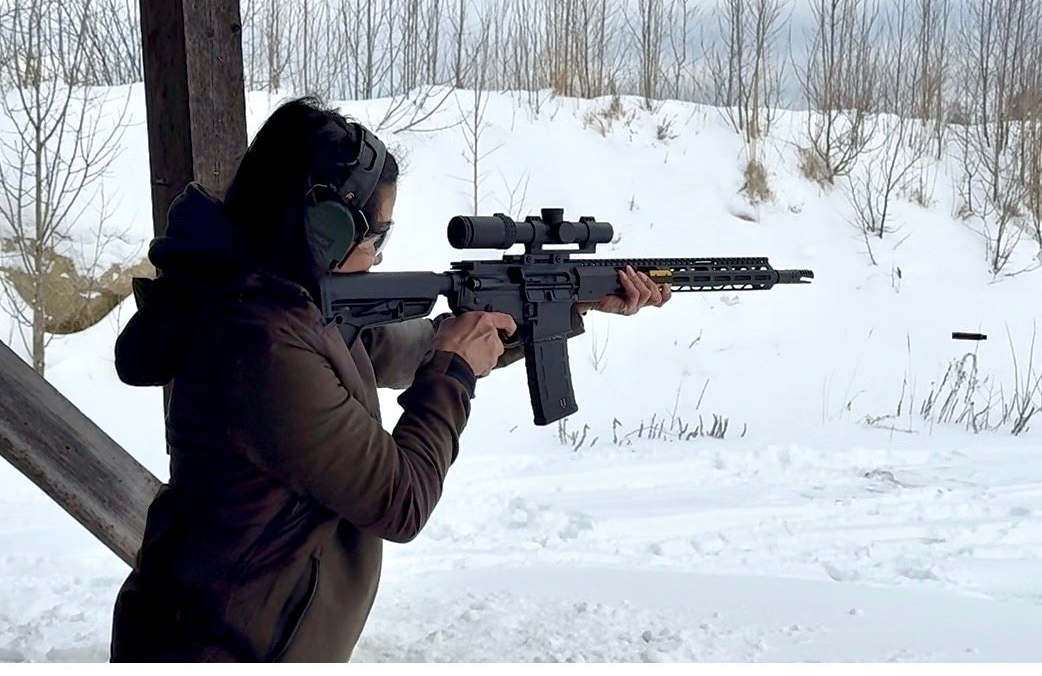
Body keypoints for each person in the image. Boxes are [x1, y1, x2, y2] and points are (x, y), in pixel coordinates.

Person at [109, 97, 670, 662]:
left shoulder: (289, 305)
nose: (378, 258)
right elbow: (401, 499)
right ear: (323, 231)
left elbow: (413, 348)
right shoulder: (260, 344)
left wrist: (561, 310)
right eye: (376, 236)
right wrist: (454, 375)